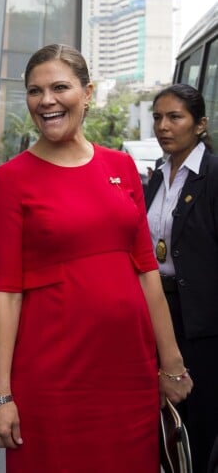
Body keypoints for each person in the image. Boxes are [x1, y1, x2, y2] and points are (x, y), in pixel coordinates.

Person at [0, 44, 192, 472]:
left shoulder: (122, 166)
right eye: (35, 91)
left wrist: (169, 361)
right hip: (52, 377)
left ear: (88, 92)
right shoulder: (10, 180)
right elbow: (6, 294)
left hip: (129, 372)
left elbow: (146, 271)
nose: (47, 101)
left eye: (60, 87)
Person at [145, 83, 218, 473]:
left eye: (175, 117)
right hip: (157, 312)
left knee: (200, 422)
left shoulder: (213, 176)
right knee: (162, 421)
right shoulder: (157, 177)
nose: (163, 126)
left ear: (200, 124)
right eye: (158, 117)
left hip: (202, 323)